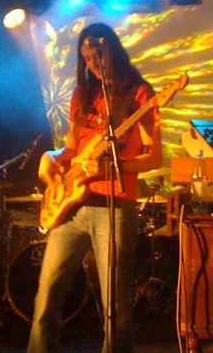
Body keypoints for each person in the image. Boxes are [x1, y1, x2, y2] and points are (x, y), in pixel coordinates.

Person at [27, 23, 163, 353]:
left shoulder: (139, 94)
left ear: (112, 50)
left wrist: (112, 168)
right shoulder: (81, 94)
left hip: (114, 207)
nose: (91, 64)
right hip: (71, 206)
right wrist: (51, 156)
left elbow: (154, 157)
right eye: (86, 58)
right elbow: (72, 148)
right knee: (46, 295)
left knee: (115, 307)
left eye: (96, 56)